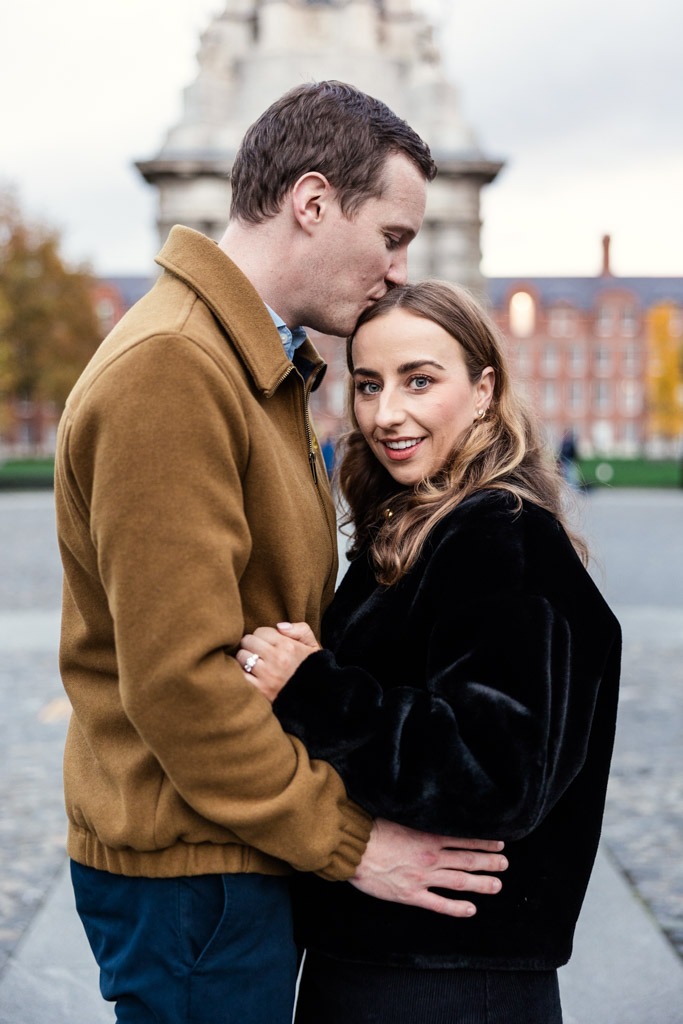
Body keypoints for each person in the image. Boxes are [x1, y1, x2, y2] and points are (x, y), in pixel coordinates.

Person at [54, 83, 507, 1024]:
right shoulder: (175, 371)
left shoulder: (247, 362)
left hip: (228, 854)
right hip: (196, 875)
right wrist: (352, 843)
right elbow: (183, 682)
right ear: (311, 202)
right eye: (390, 235)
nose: (396, 270)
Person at [239, 280, 622, 1024]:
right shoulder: (422, 527)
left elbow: (495, 774)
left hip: (445, 978)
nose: (387, 414)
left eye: (420, 380)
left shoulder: (499, 534)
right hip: (395, 958)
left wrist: (311, 688)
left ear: (483, 390)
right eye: (368, 385)